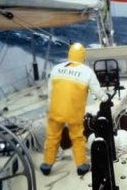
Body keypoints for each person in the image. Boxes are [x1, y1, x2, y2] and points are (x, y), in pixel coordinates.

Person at [40, 43, 108, 176]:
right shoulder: (87, 71)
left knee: (52, 136)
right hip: (73, 112)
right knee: (77, 137)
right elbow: (98, 92)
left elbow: (50, 91)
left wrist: (52, 105)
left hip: (56, 110)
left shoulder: (56, 68)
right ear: (83, 56)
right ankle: (81, 165)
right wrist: (106, 98)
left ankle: (47, 164)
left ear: (69, 54)